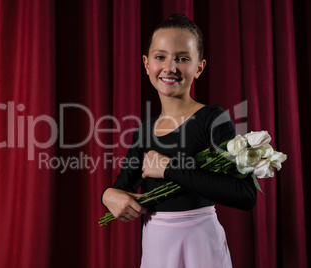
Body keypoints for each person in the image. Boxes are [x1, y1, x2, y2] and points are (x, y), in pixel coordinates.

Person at [101, 13, 257, 268]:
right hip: (156, 243)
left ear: (199, 67)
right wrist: (107, 195)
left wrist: (169, 168)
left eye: (182, 58)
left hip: (201, 241)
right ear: (146, 63)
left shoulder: (212, 119)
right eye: (160, 56)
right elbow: (122, 187)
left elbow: (245, 194)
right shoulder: (144, 130)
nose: (170, 67)